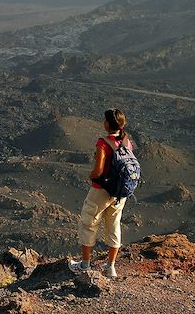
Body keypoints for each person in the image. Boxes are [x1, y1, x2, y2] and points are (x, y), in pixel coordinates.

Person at [69, 108, 132, 278]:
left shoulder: (103, 143)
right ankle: (110, 267)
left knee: (88, 222)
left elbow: (98, 171)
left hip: (102, 190)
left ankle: (84, 265)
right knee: (114, 225)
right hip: (121, 192)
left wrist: (91, 176)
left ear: (107, 124)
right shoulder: (126, 141)